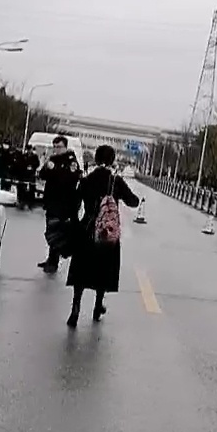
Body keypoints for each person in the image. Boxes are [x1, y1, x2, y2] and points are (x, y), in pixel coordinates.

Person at [66, 144, 139, 326]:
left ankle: (75, 308)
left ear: (96, 159)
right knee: (103, 270)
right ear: (112, 160)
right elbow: (133, 201)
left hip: (86, 229)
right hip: (106, 232)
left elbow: (73, 204)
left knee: (81, 271)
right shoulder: (115, 181)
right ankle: (98, 306)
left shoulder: (87, 180)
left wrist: (76, 225)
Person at [38, 134, 81, 273]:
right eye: (55, 147)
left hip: (64, 204)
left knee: (57, 232)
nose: (56, 149)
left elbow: (68, 179)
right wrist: (47, 168)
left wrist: (54, 170)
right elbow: (42, 175)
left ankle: (54, 262)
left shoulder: (71, 161)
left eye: (59, 147)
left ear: (65, 147)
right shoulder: (52, 159)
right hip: (51, 202)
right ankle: (50, 259)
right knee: (51, 231)